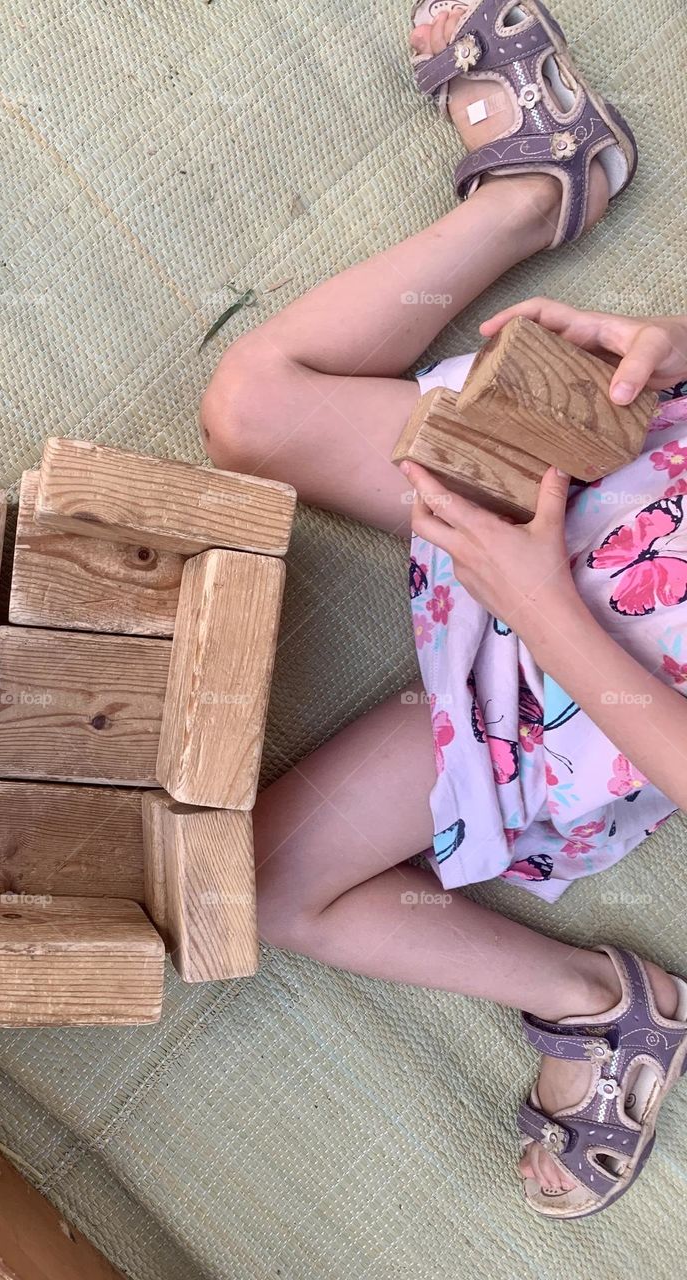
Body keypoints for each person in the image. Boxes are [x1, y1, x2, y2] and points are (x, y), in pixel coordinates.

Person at [198, 0, 687, 1219]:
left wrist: (542, 607)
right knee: (253, 408)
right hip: (612, 485)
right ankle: (537, 188)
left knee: (259, 880)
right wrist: (671, 349)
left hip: (591, 708)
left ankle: (600, 1003)